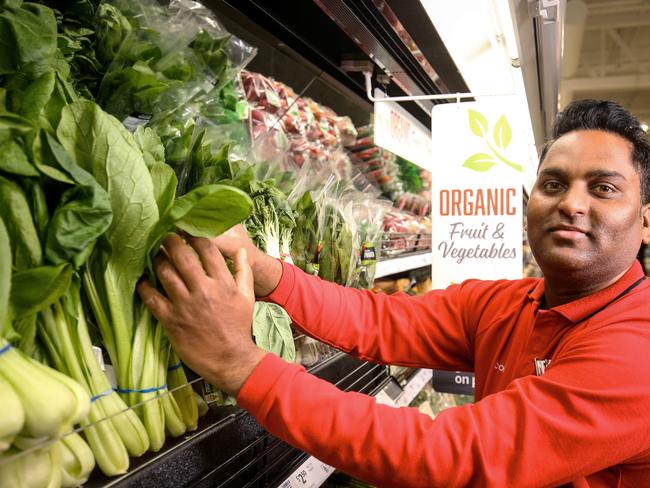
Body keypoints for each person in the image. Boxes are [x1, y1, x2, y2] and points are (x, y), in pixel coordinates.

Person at [138, 99, 650, 487]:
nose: (571, 204)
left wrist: (241, 365)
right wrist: (267, 271)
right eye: (553, 184)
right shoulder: (510, 302)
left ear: (645, 221)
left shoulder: (636, 349)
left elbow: (455, 454)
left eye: (603, 188)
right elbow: (382, 320)